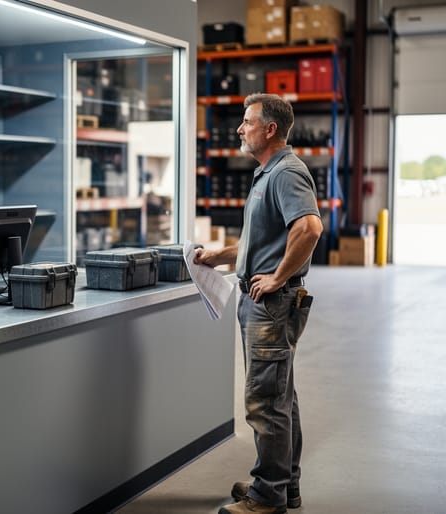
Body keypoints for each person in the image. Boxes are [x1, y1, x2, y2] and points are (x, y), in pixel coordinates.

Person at [194, 93, 323, 514]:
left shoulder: (286, 172)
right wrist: (219, 257)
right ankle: (284, 485)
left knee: (266, 400)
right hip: (263, 301)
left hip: (271, 305)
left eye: (247, 121)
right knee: (280, 396)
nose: (239, 128)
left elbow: (309, 228)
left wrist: (278, 278)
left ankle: (267, 497)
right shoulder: (267, 173)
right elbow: (262, 242)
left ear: (270, 129)